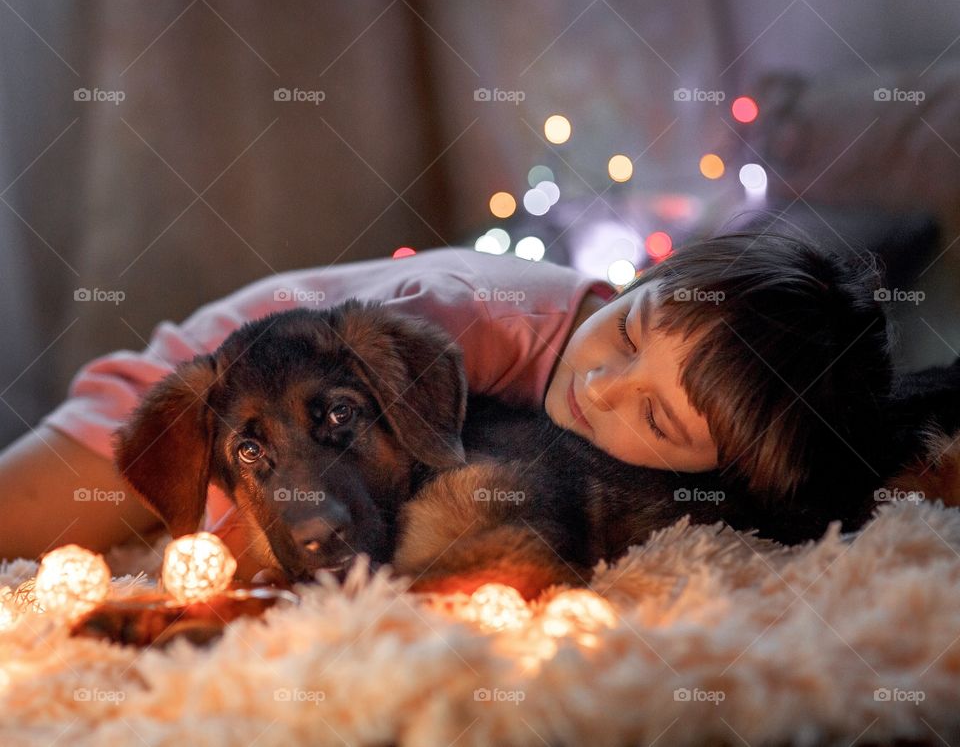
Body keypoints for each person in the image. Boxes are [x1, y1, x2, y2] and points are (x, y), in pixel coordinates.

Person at [0, 232, 892, 569]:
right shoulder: (462, 323)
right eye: (627, 332)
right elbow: (302, 477)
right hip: (200, 390)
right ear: (641, 279)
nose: (600, 386)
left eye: (655, 418)